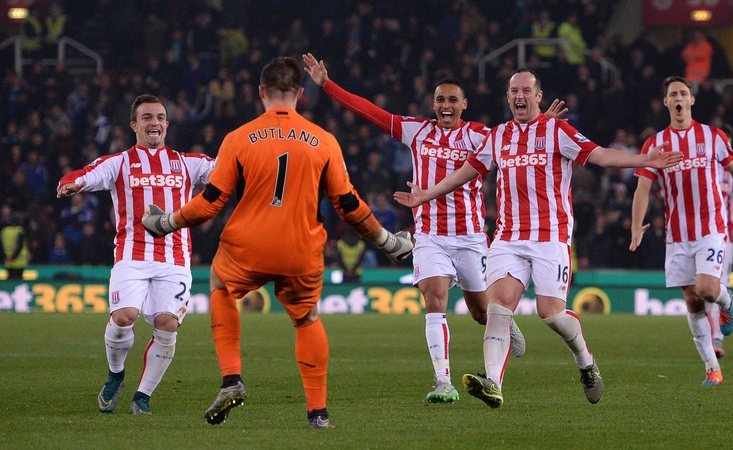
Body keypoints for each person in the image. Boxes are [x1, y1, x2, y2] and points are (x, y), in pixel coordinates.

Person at [141, 57, 414, 429]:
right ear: (301, 94)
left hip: (247, 246)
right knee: (307, 318)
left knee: (220, 288)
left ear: (260, 92)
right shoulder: (324, 141)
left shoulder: (238, 138)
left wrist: (165, 222)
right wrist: (386, 241)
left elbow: (211, 203)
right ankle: (318, 414)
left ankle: (232, 379)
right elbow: (348, 206)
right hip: (301, 249)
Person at [394, 68, 682, 408]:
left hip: (550, 237)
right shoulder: (498, 136)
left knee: (551, 314)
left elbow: (600, 155)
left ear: (538, 96)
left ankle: (586, 361)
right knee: (498, 308)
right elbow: (464, 173)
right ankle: (493, 383)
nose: (519, 95)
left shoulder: (556, 131)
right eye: (514, 90)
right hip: (507, 238)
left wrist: (644, 159)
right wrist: (425, 195)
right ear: (508, 96)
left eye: (526, 90)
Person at [303, 52, 542, 403]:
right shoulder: (418, 130)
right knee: (434, 297)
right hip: (430, 236)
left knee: (481, 312)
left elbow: (519, 140)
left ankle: (502, 320)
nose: (446, 105)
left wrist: (542, 125)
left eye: (452, 100)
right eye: (440, 100)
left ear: (464, 105)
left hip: (472, 239)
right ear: (433, 104)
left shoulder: (481, 136)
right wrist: (328, 86)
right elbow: (371, 112)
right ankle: (442, 381)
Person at [57, 94, 215, 414]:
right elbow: (85, 174)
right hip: (132, 253)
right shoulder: (120, 162)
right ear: (134, 125)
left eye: (159, 117)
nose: (153, 122)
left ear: (167, 124)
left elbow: (231, 170)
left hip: (175, 258)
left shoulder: (189, 162)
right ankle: (116, 374)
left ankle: (143, 395)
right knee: (123, 317)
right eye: (146, 117)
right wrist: (71, 184)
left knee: (168, 323)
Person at [630, 76, 733, 386]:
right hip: (676, 235)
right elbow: (642, 188)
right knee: (692, 301)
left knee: (707, 289)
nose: (678, 98)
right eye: (672, 94)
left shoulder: (713, 136)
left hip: (710, 229)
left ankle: (726, 300)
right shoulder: (655, 144)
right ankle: (711, 367)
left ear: (691, 100)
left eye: (683, 93)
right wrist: (635, 222)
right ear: (666, 102)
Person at [705, 124, 733, 358]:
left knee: (715, 285)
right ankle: (712, 336)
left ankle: (717, 339)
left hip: (727, 237)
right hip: (702, 235)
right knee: (703, 288)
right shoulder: (704, 168)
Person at [1, 213, 29, 280]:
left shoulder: (4, 231)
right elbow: (19, 246)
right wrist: (13, 257)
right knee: (18, 281)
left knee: (10, 279)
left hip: (8, 260)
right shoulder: (20, 231)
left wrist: (4, 257)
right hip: (19, 261)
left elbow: (1, 245)